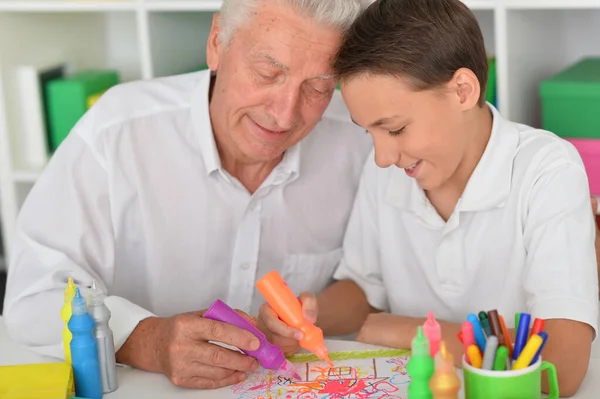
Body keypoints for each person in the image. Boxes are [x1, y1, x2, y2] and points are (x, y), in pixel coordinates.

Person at [3, 0, 373, 390]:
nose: (284, 115)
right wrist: (145, 340)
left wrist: (306, 318)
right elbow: (35, 297)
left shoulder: (359, 141)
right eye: (268, 73)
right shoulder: (117, 133)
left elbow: (369, 289)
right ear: (216, 43)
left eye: (318, 88)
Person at [259, 0, 598, 396]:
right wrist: (305, 316)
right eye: (369, 133)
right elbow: (366, 292)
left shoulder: (547, 170)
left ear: (462, 91)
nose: (383, 157)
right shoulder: (390, 168)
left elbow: (563, 366)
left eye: (396, 129)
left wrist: (413, 331)